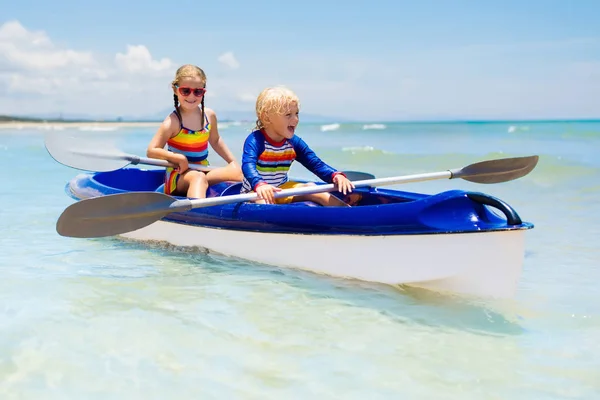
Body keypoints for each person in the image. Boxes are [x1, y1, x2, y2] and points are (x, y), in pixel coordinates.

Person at [240, 86, 355, 206]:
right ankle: (276, 222)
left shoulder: (293, 143)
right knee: (263, 201)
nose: (295, 119)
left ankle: (348, 213)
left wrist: (335, 175)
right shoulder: (255, 140)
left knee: (312, 188)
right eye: (288, 115)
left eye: (296, 113)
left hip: (282, 188)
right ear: (266, 117)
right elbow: (248, 166)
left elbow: (315, 164)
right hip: (255, 191)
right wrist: (260, 184)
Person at [147, 64, 242, 198]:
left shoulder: (209, 116)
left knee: (238, 173)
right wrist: (177, 157)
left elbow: (215, 140)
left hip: (203, 170)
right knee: (197, 178)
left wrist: (233, 162)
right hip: (179, 176)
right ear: (175, 90)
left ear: (203, 92)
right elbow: (152, 150)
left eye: (197, 91)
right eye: (185, 91)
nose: (192, 96)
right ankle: (198, 212)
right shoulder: (173, 122)